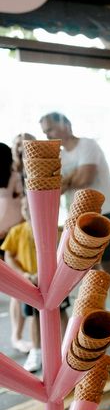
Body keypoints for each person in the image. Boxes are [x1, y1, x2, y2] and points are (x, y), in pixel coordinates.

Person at [39, 113, 110, 348]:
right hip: (79, 221)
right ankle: (101, 328)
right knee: (92, 277)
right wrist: (70, 178)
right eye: (45, 132)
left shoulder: (87, 144)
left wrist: (66, 180)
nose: (47, 135)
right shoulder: (57, 155)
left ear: (65, 125)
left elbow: (85, 177)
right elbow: (54, 187)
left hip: (106, 213)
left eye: (50, 129)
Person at [2, 196, 69, 372]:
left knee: (61, 311)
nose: (26, 209)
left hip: (53, 281)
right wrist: (24, 274)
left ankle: (67, 347)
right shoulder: (16, 231)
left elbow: (62, 253)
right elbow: (9, 256)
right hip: (29, 283)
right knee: (34, 317)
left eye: (29, 205)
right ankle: (37, 351)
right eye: (23, 206)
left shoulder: (53, 230)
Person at [0, 142, 26, 353]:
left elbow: (22, 206)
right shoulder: (15, 178)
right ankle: (16, 336)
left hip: (13, 237)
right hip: (8, 236)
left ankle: (17, 336)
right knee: (15, 291)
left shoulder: (15, 178)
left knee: (17, 290)